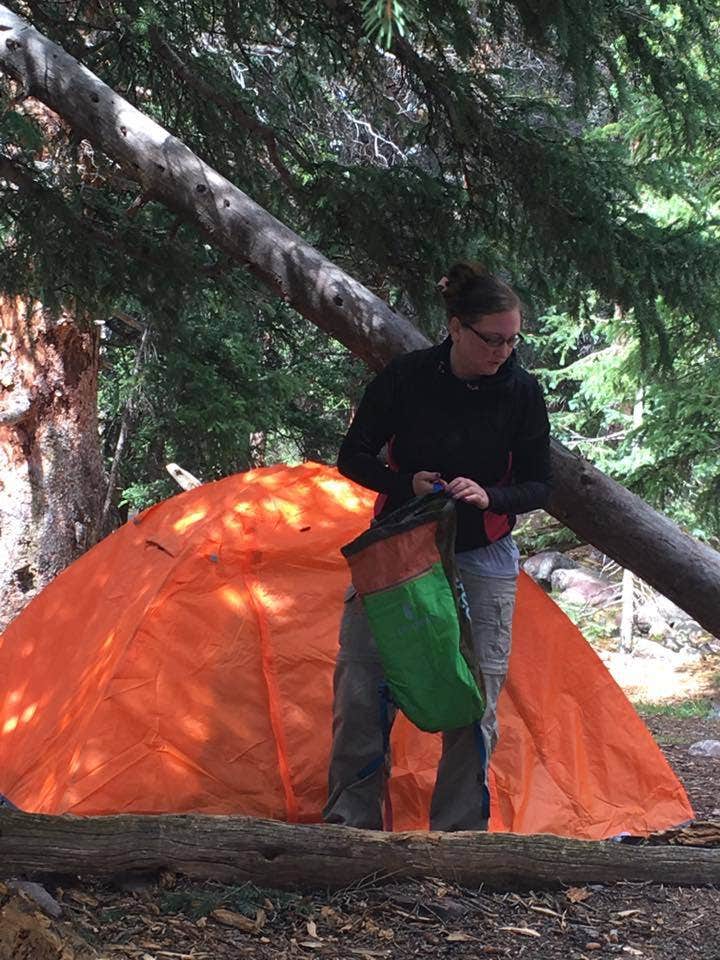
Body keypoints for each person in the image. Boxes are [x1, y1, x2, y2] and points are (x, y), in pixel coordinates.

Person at [324, 261, 552, 831]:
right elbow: (352, 455)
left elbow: (538, 482)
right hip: (399, 549)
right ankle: (351, 829)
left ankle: (458, 839)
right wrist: (407, 483)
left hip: (483, 554)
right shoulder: (407, 378)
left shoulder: (522, 391)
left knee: (475, 698)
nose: (504, 352)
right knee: (362, 684)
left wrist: (492, 496)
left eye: (513, 340)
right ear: (455, 327)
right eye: (492, 339)